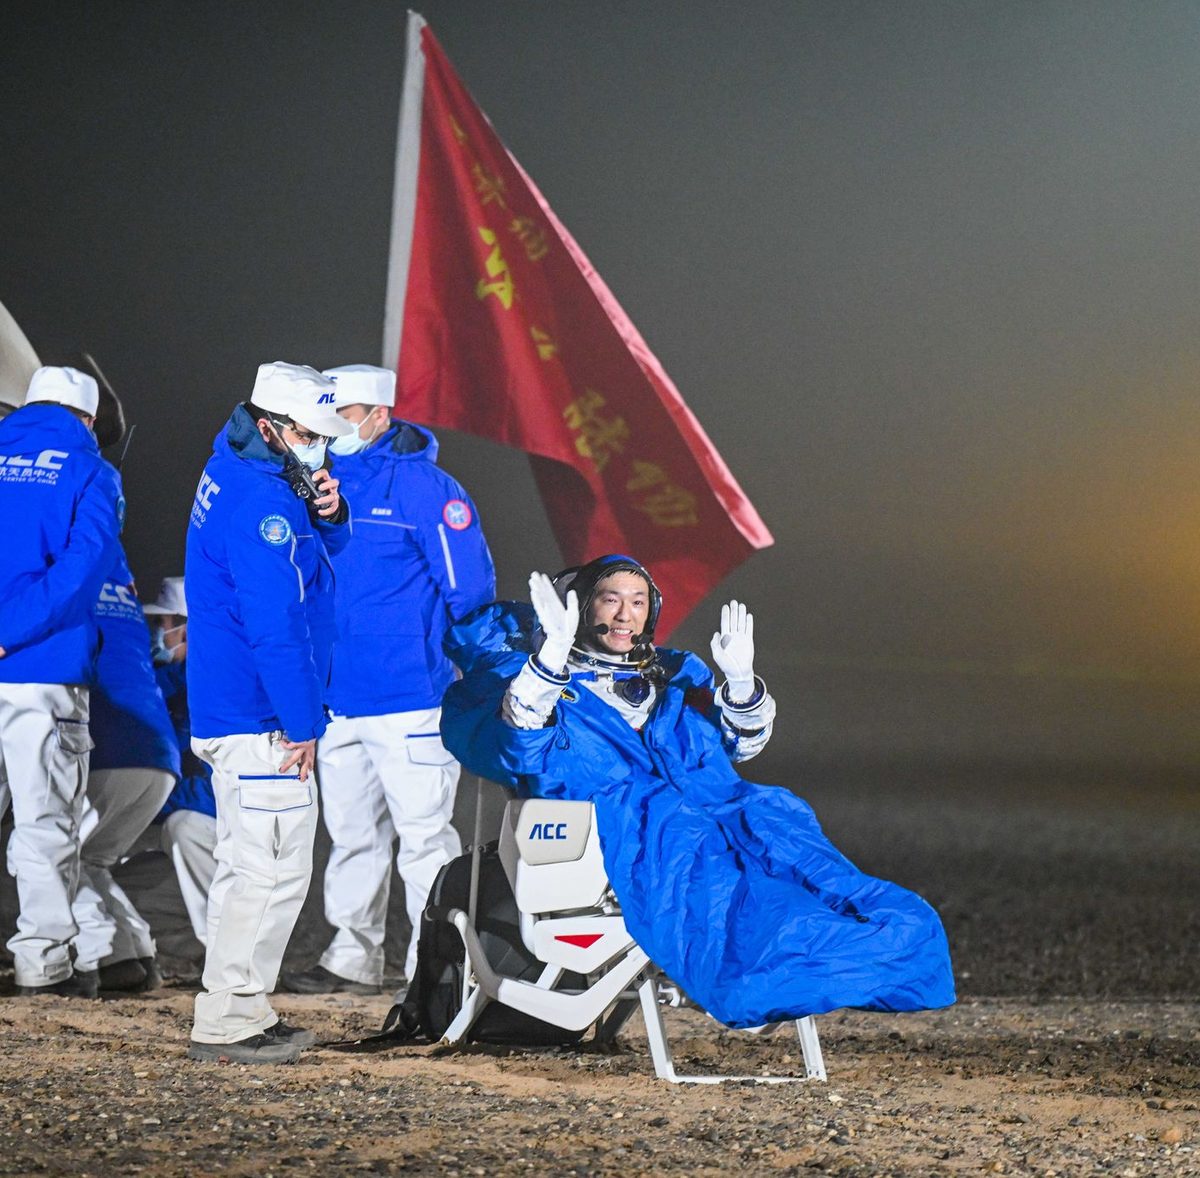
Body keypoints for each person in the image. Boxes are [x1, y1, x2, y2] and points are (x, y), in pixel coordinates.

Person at [440, 555, 956, 1028]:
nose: (625, 615)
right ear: (580, 606)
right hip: (637, 822)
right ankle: (781, 969)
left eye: (638, 602)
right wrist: (548, 663)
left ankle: (858, 947)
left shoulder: (672, 675)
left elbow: (739, 746)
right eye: (610, 599)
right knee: (735, 897)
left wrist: (741, 684)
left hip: (730, 809)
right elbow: (514, 747)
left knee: (830, 872)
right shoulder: (525, 679)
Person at [282, 364, 495, 997]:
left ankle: (439, 967)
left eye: (341, 414)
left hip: (412, 700)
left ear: (380, 413)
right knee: (349, 838)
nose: (327, 427)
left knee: (425, 837)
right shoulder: (308, 485)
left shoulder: (428, 488)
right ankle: (350, 958)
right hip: (336, 700)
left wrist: (482, 672)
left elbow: (471, 588)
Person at [184, 361, 353, 1064]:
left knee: (245, 866)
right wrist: (302, 721)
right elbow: (276, 622)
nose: (322, 448)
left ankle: (237, 1006)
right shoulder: (263, 504)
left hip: (238, 705)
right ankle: (229, 1019)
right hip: (262, 714)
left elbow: (314, 564)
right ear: (271, 427)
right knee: (271, 869)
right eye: (311, 435)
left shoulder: (242, 471)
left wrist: (330, 513)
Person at [0, 366, 125, 997]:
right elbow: (84, 573)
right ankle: (43, 966)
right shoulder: (92, 471)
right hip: (41, 670)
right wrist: (10, 631)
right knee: (45, 819)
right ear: (89, 420)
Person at [76, 550, 178, 992]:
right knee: (90, 860)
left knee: (48, 858)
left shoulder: (65, 591)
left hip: (109, 748)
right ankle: (134, 954)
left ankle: (100, 954)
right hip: (158, 758)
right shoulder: (121, 596)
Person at [143, 576, 217, 952]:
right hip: (207, 847)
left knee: (185, 826)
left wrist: (147, 805)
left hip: (236, 847)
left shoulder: (217, 688)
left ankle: (230, 960)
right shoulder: (171, 687)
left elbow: (216, 795)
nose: (159, 632)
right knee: (95, 876)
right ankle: (135, 953)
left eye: (167, 623)